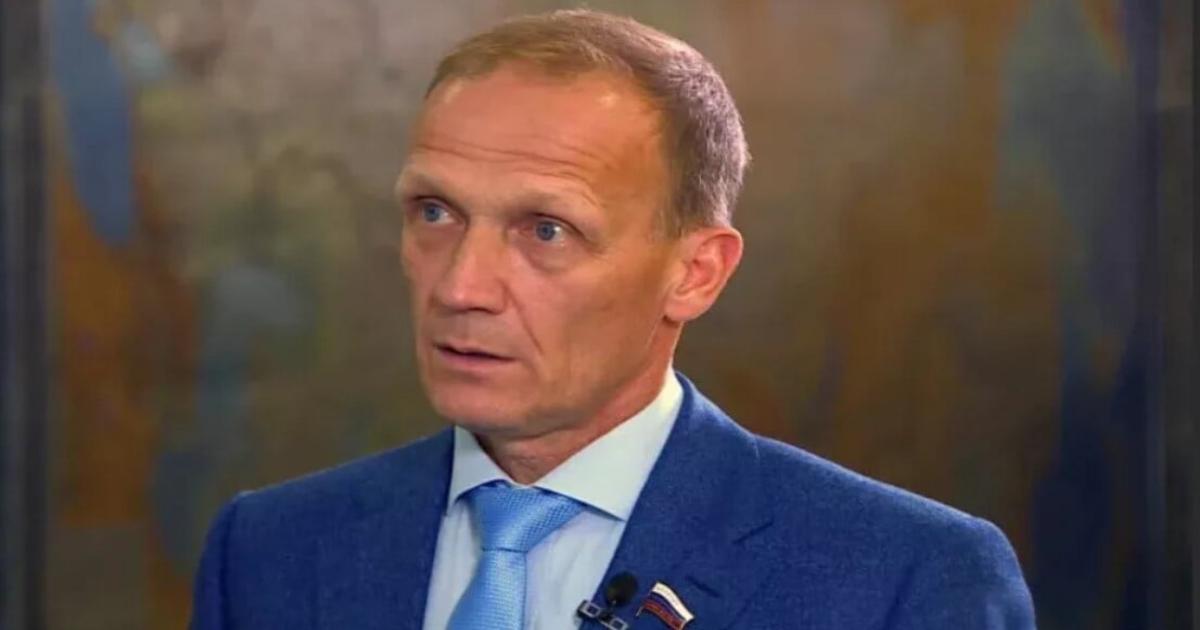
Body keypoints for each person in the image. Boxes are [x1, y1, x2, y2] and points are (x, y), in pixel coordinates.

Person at [190, 9, 1036, 630]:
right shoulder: (267, 551)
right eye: (435, 213)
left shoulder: (907, 581)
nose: (461, 287)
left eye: (546, 230)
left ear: (695, 273)